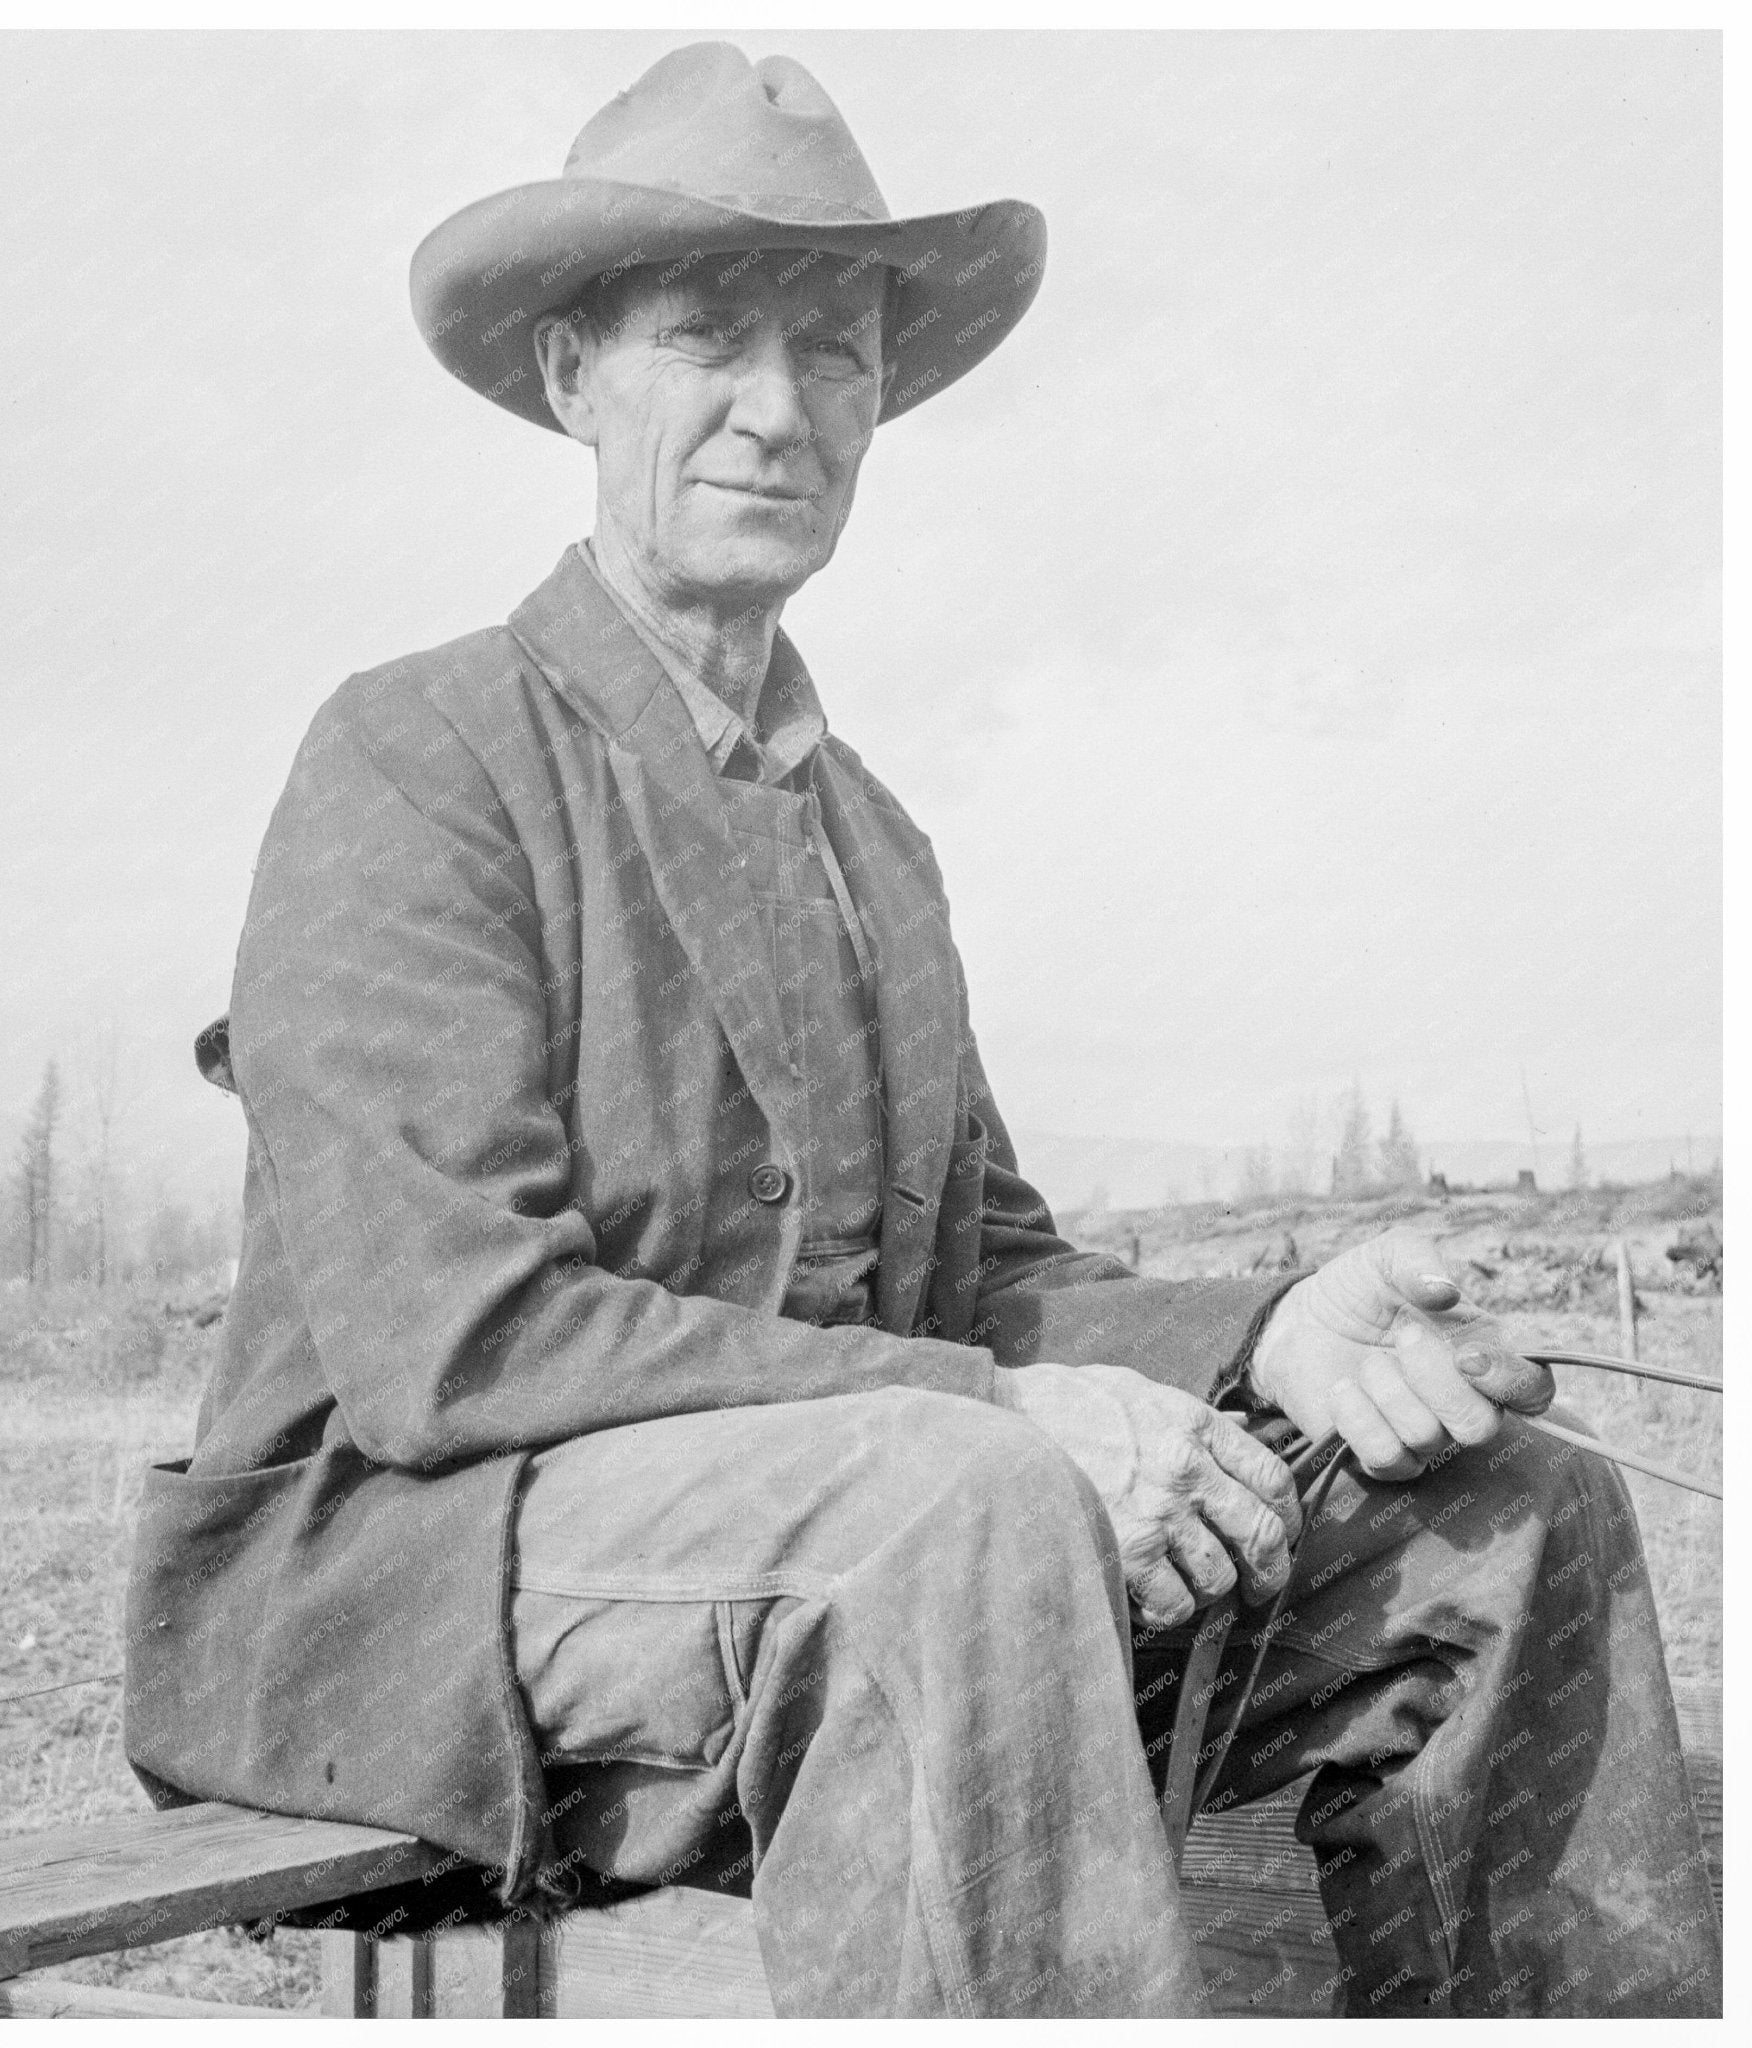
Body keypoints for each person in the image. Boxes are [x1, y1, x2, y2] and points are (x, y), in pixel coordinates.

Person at [125, 44, 1719, 2016]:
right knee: (957, 1507)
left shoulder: (871, 839)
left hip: (857, 1555)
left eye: (839, 353)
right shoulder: (418, 756)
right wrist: (993, 1417)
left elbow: (995, 1273)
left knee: (1507, 1510)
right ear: (571, 378)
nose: (779, 410)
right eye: (708, 336)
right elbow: (455, 1343)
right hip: (409, 1586)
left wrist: (1270, 1332)